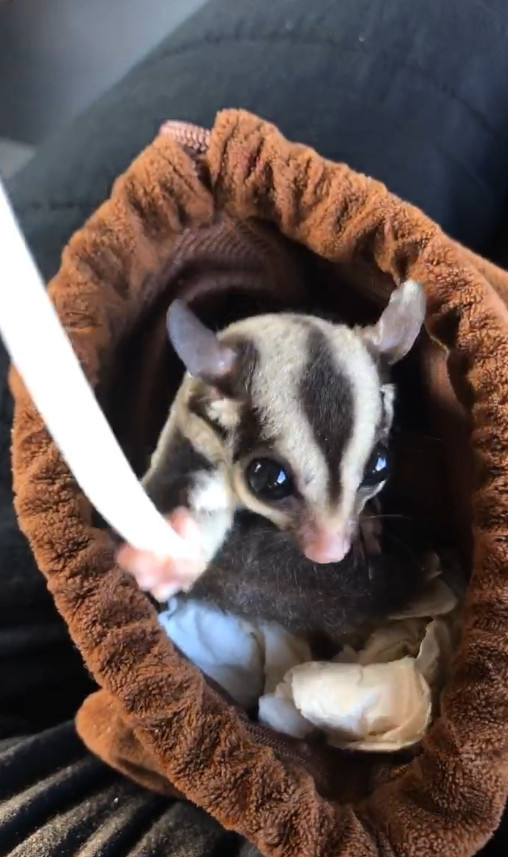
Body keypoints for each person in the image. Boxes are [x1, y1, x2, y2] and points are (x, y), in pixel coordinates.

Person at [1, 1, 507, 854]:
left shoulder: (354, 398)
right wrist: (178, 535)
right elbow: (183, 482)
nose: (332, 543)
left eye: (369, 475)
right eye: (278, 478)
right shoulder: (213, 392)